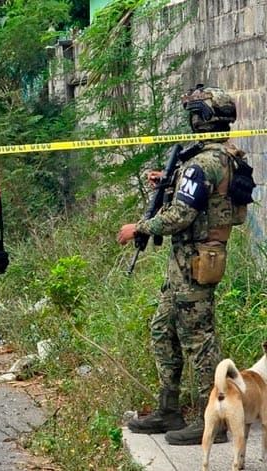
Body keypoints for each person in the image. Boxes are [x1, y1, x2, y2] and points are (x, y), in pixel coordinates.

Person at [117, 85, 246, 445]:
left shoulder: (202, 163)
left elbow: (180, 216)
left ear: (200, 119)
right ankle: (168, 408)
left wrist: (139, 228)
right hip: (189, 262)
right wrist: (170, 181)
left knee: (199, 341)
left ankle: (215, 419)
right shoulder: (223, 156)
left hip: (194, 262)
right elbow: (203, 200)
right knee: (163, 329)